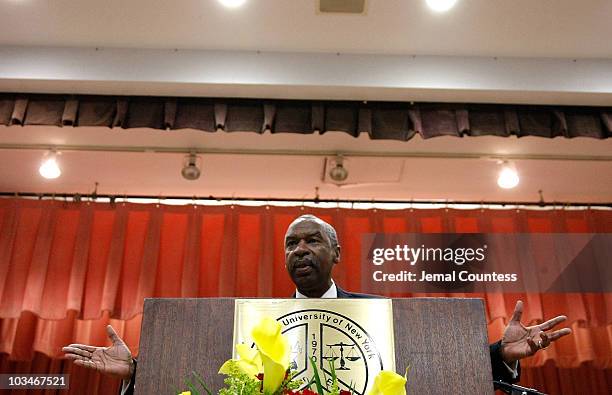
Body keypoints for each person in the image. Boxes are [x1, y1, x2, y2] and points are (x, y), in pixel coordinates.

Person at [63, 214, 572, 394]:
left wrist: (498, 357)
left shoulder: (381, 314)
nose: (299, 250)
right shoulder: (255, 323)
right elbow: (207, 378)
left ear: (336, 253)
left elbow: (433, 373)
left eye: (310, 241)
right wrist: (137, 373)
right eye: (290, 244)